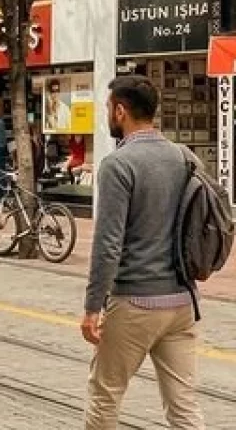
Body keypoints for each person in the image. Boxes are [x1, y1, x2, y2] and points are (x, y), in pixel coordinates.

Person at [81, 75, 204, 429]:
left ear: (120, 111)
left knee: (105, 395)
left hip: (135, 301)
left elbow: (108, 244)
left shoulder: (119, 164)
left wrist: (92, 307)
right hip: (182, 302)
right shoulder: (184, 157)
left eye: (108, 108)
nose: (107, 115)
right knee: (183, 406)